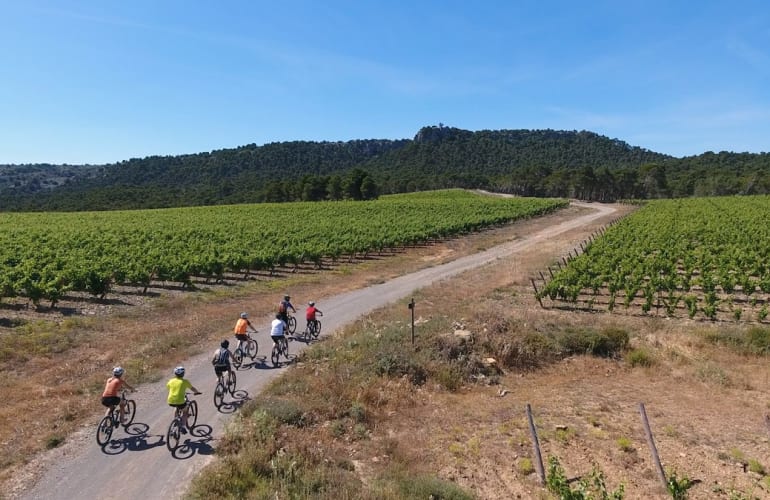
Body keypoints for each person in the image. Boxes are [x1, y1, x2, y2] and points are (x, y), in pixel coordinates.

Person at [166, 366, 201, 433]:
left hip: (170, 400)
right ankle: (183, 426)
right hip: (180, 401)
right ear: (183, 374)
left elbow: (168, 388)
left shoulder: (170, 381)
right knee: (185, 412)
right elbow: (192, 388)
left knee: (176, 407)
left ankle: (175, 420)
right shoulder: (185, 381)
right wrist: (197, 392)